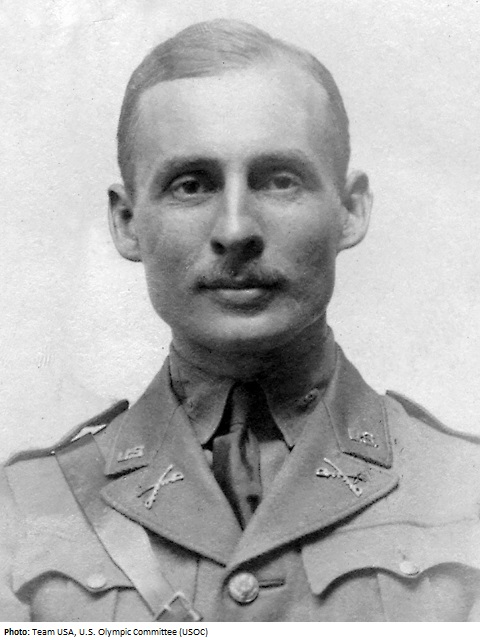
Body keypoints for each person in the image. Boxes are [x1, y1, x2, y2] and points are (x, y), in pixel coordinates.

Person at [2, 19, 480, 623]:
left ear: (350, 210)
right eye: (191, 185)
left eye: (280, 181)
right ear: (127, 222)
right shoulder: (23, 513)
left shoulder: (465, 492)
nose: (235, 230)